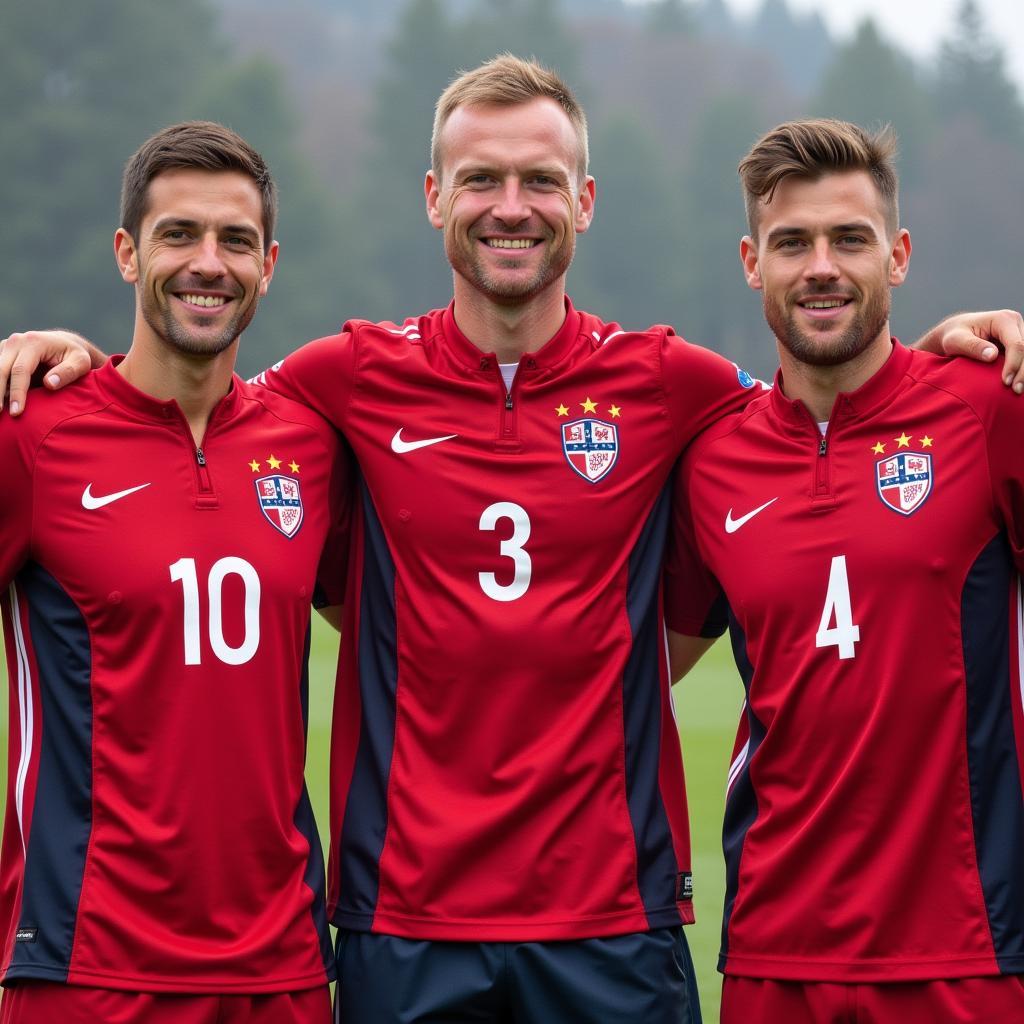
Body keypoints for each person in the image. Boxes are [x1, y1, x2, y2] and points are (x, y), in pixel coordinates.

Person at [3, 60, 1024, 1024]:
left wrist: (953, 350)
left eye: (540, 178)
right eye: (480, 177)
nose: (509, 204)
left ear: (583, 201)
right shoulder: (337, 382)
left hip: (613, 923)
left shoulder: (678, 389)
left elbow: (826, 409)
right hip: (399, 920)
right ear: (434, 197)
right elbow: (188, 415)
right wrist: (75, 363)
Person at [665, 118, 1024, 1024]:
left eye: (849, 238)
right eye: (792, 242)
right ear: (752, 263)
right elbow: (632, 668)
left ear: (897, 256)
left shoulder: (987, 408)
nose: (820, 265)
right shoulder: (710, 462)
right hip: (770, 955)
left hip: (968, 951)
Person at [0, 122, 350, 1024]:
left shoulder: (310, 445)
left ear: (268, 264)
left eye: (235, 240)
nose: (209, 263)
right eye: (178, 235)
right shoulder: (33, 435)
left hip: (283, 967)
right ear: (127, 253)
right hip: (88, 963)